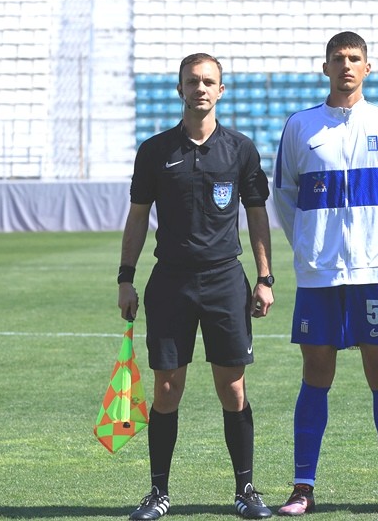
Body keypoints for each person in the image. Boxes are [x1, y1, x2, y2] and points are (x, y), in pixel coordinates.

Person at [117, 53, 275, 520]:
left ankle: (246, 490)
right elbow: (138, 217)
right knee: (166, 388)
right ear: (180, 89)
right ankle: (158, 492)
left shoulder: (241, 149)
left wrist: (264, 278)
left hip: (225, 280)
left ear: (221, 90)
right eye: (192, 81)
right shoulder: (154, 150)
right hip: (170, 281)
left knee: (233, 389)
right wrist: (125, 278)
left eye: (208, 81)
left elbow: (257, 216)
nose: (200, 88)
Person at [272, 31, 378, 517]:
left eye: (355, 58)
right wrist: (310, 247)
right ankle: (303, 487)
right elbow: (285, 195)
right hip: (319, 275)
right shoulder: (301, 125)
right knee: (316, 374)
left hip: (375, 273)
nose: (346, 66)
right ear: (326, 67)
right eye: (338, 58)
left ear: (367, 67)